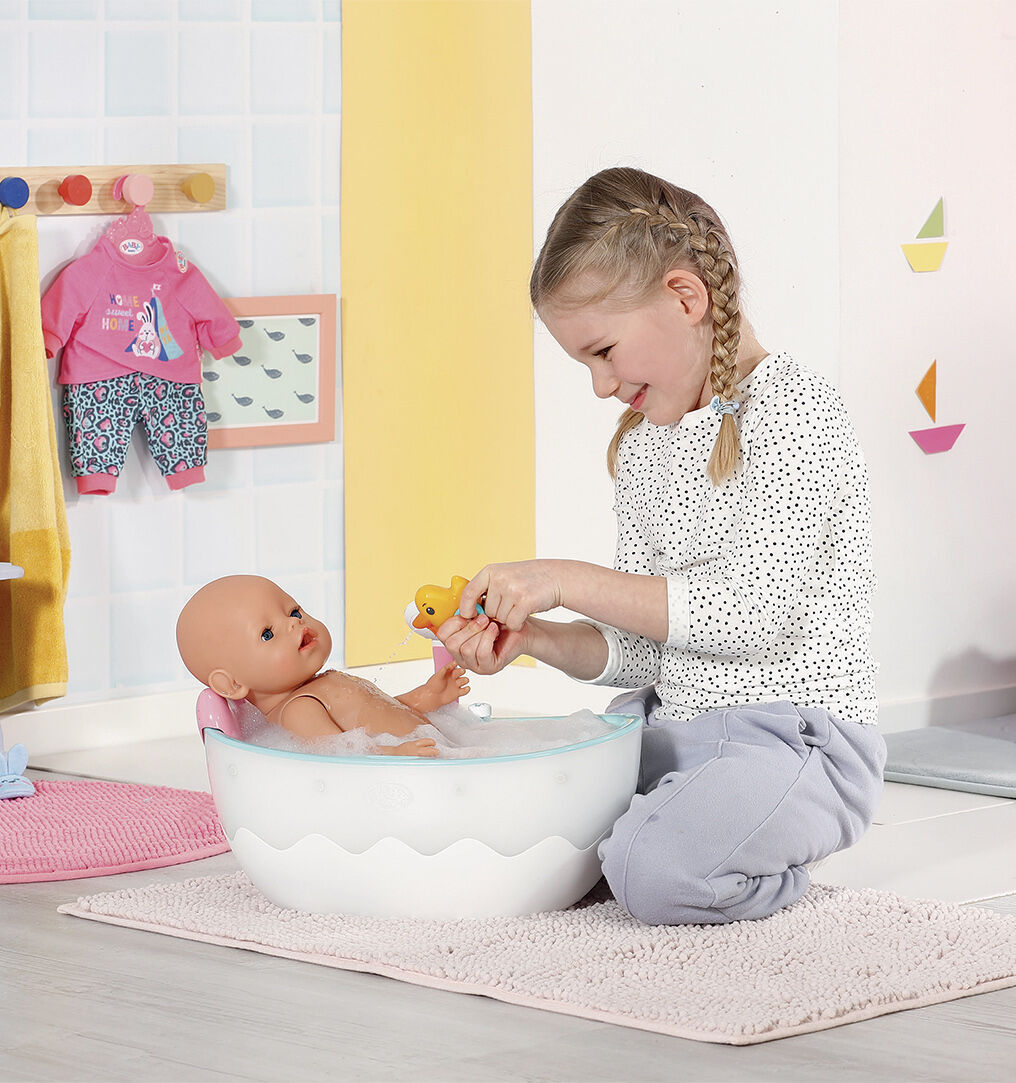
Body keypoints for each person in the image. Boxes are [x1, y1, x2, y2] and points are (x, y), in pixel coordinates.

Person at [435, 166, 885, 925]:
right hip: (672, 724)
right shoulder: (648, 447)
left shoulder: (798, 414)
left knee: (650, 874)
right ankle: (668, 827)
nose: (601, 386)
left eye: (604, 351)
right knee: (517, 825)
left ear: (686, 297)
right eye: (585, 363)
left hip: (799, 742)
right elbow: (645, 651)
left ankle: (744, 864)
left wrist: (565, 578)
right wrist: (532, 636)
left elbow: (751, 617)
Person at [177, 575, 468, 757]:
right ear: (232, 684)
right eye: (268, 633)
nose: (294, 622)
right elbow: (344, 755)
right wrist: (395, 754)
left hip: (437, 757)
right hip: (416, 772)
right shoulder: (299, 710)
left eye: (293, 611)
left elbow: (379, 714)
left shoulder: (321, 684)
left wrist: (426, 697)